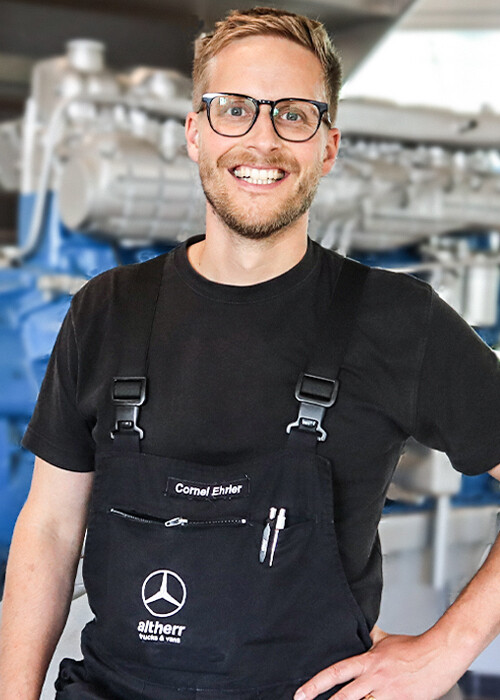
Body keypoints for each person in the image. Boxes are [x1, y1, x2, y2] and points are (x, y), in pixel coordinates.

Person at [1, 7, 500, 700]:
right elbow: (50, 530)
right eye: (234, 109)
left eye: (293, 115)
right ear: (195, 134)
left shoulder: (399, 320)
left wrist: (445, 651)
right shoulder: (106, 308)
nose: (262, 140)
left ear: (328, 146)